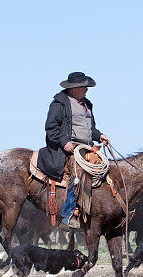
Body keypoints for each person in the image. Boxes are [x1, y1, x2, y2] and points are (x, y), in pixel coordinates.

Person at [36, 71, 110, 225]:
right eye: (84, 86)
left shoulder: (87, 104)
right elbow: (51, 127)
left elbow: (90, 129)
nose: (87, 89)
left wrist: (100, 135)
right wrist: (64, 142)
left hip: (85, 147)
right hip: (66, 149)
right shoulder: (60, 103)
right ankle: (69, 215)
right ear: (74, 88)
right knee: (79, 173)